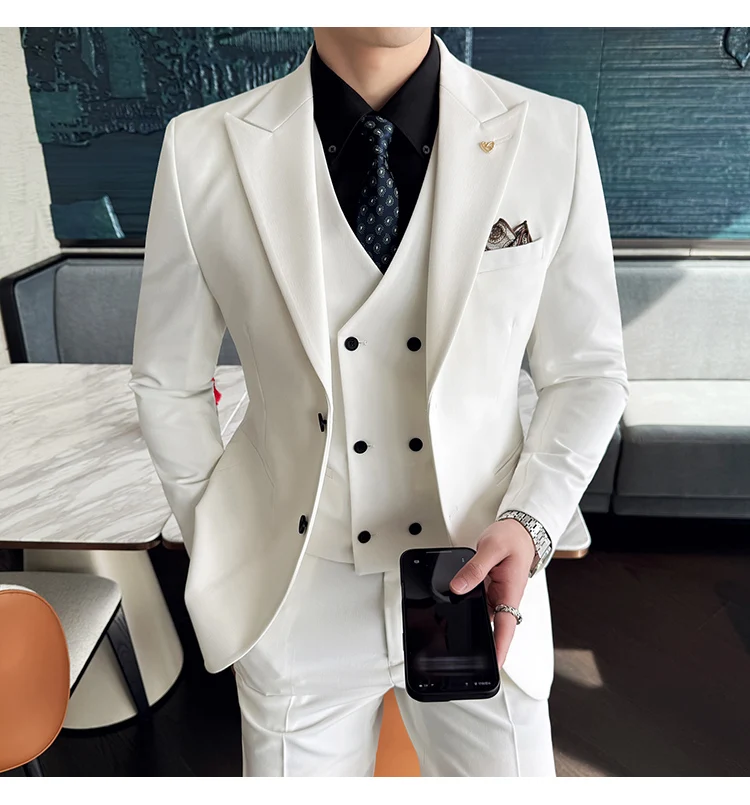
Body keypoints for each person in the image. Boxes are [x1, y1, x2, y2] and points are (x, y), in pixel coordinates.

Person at [130, 27, 628, 776]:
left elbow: (587, 372)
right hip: (295, 594)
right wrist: (223, 536)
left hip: (482, 580)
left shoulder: (551, 134)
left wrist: (532, 521)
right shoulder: (202, 147)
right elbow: (166, 379)